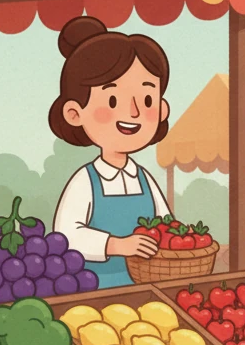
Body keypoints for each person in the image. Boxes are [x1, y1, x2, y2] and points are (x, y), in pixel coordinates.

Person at [51, 17, 172, 289]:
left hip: (148, 287)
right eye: (113, 100)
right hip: (93, 289)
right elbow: (65, 235)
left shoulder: (144, 179)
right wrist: (115, 244)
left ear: (162, 109)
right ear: (74, 113)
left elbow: (167, 226)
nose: (133, 112)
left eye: (147, 99)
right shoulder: (85, 181)